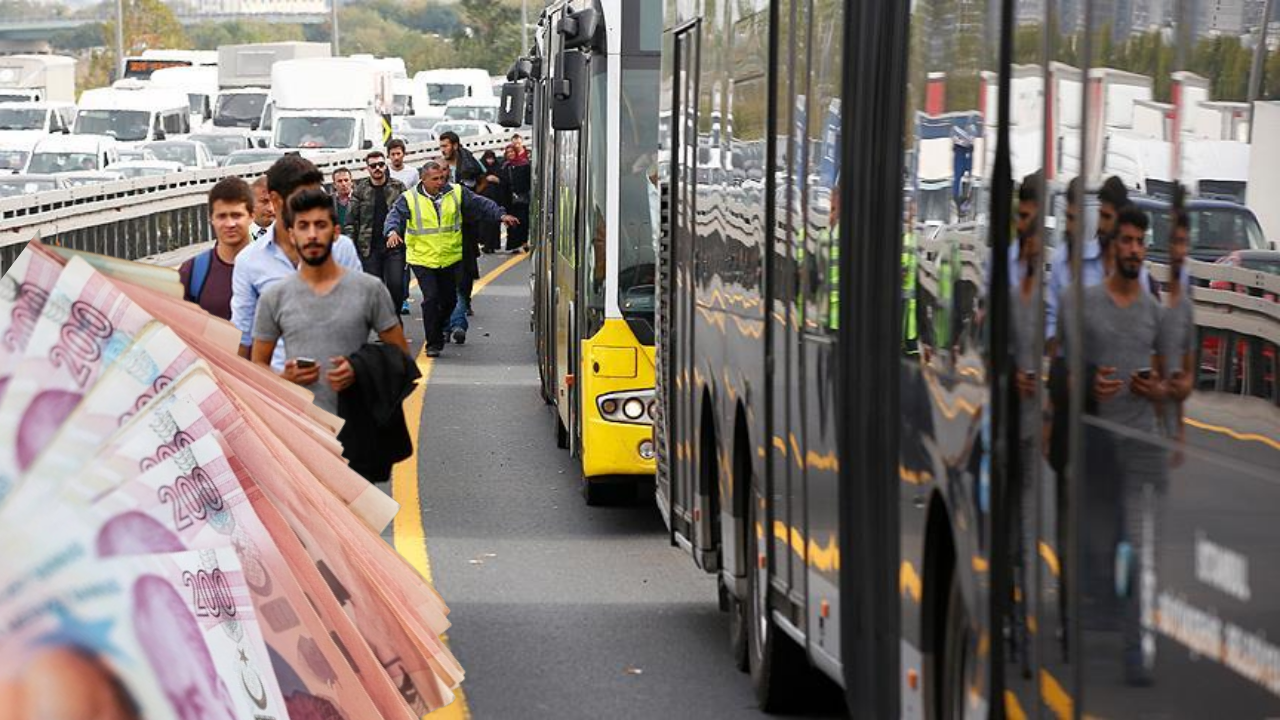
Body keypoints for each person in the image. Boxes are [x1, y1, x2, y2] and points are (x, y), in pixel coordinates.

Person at [1067, 205, 1168, 686]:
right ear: (1113, 248)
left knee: (1139, 549)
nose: (1132, 249)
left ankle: (1135, 650)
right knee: (1097, 547)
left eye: (1139, 242)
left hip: (1141, 447)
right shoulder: (1086, 303)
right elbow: (1064, 375)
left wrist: (1158, 389)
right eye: (1125, 241)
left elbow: (1173, 379)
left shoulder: (1155, 309)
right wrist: (1090, 383)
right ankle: (1081, 620)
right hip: (1098, 448)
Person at [252, 187, 408, 417]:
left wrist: (361, 371)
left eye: (320, 225)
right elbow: (256, 371)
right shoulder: (274, 297)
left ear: (336, 233)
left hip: (356, 428)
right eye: (303, 226)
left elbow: (401, 358)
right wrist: (285, 379)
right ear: (292, 235)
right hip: (297, 427)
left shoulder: (369, 290)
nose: (312, 235)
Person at [232, 155, 364, 370]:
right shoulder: (249, 261)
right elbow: (243, 337)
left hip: (338, 385)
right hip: (277, 389)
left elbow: (359, 317)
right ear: (276, 200)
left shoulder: (341, 248)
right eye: (302, 198)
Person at [385, 160, 519, 357]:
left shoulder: (456, 192)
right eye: (435, 179)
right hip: (422, 259)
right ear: (423, 179)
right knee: (431, 298)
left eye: (442, 178)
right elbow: (394, 217)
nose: (440, 182)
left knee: (449, 300)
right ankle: (433, 343)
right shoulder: (409, 198)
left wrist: (500, 215)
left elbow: (480, 204)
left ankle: (441, 326)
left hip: (449, 257)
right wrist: (392, 232)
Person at [178, 177, 255, 321]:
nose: (230, 224)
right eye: (222, 216)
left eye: (236, 215)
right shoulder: (192, 272)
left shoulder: (272, 265)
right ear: (211, 219)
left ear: (252, 216)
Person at [344, 150, 409, 314]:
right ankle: (385, 325)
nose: (377, 168)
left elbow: (409, 215)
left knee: (396, 285)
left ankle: (394, 318)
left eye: (380, 164)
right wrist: (351, 248)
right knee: (374, 289)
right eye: (373, 166)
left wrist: (406, 239)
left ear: (385, 165)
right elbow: (350, 221)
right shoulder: (360, 190)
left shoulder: (398, 187)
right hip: (369, 248)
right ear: (367, 168)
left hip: (394, 245)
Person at [438, 131, 487, 334]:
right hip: (447, 223)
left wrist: (473, 197)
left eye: (446, 145)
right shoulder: (439, 166)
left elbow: (483, 178)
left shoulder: (470, 162)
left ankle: (464, 300)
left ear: (455, 145)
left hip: (466, 222)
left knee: (466, 263)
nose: (443, 149)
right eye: (441, 146)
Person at [502, 143, 532, 252]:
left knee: (523, 221)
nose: (510, 154)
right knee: (512, 222)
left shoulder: (524, 164)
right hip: (509, 199)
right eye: (508, 152)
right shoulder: (505, 166)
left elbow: (529, 181)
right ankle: (514, 245)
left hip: (522, 198)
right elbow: (503, 182)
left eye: (512, 152)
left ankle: (524, 242)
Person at [477, 150, 508, 254]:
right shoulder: (480, 170)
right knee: (485, 224)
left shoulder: (498, 169)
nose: (490, 161)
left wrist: (497, 180)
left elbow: (505, 182)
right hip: (484, 201)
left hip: (496, 200)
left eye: (491, 159)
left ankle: (493, 245)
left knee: (495, 224)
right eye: (488, 159)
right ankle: (487, 244)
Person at [248, 176, 274, 242]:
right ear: (251, 202)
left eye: (274, 201)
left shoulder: (289, 234)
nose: (271, 209)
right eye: (264, 202)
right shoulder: (240, 236)